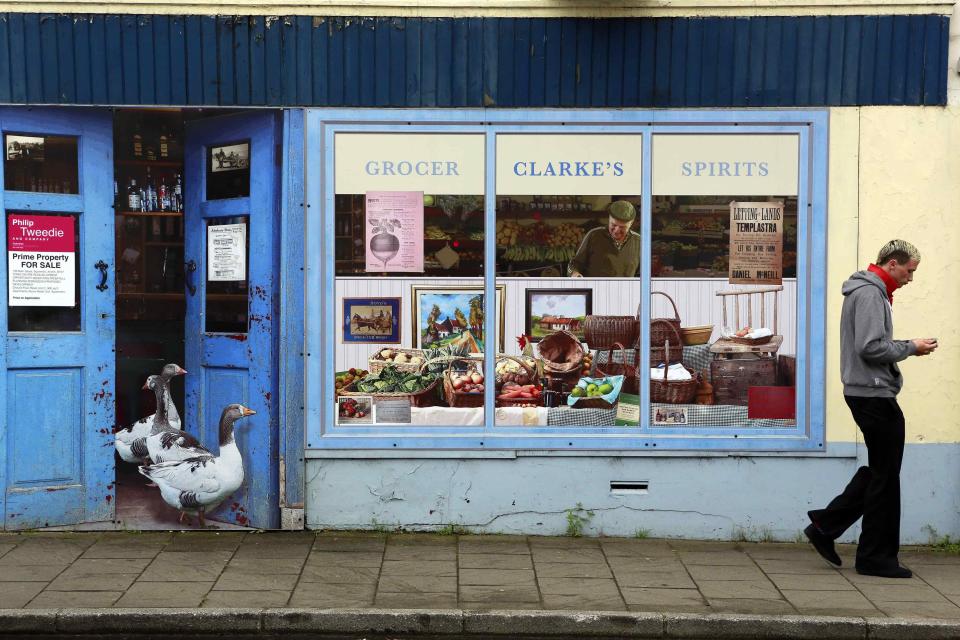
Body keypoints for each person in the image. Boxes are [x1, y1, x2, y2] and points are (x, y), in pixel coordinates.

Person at [804, 240, 938, 578]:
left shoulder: (871, 291)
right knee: (886, 476)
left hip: (870, 392)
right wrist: (912, 347)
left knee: (882, 471)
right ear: (893, 264)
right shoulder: (869, 294)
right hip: (872, 394)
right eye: (910, 271)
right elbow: (870, 347)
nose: (911, 278)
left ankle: (826, 525)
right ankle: (874, 556)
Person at [568, 200, 640, 278]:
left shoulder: (639, 242)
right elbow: (573, 265)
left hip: (625, 290)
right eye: (613, 225)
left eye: (622, 227)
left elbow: (642, 275)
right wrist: (574, 274)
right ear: (609, 218)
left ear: (631, 223)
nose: (616, 231)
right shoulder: (594, 235)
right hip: (596, 289)